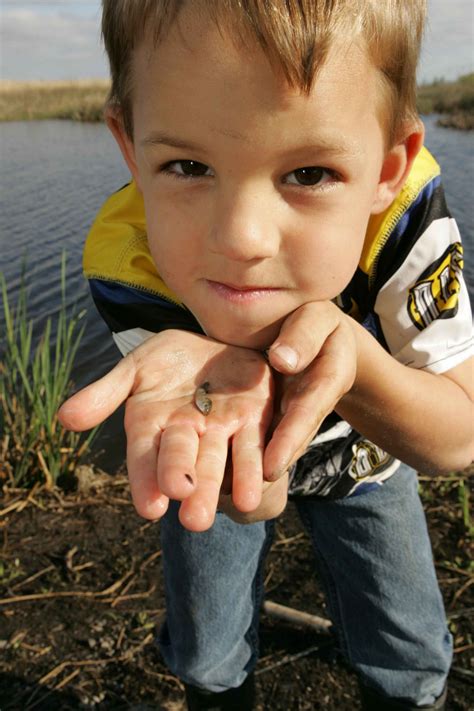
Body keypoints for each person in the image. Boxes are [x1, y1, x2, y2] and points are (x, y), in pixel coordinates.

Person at [58, 1, 474, 708]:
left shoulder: (404, 227)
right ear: (130, 148)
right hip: (219, 459)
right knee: (208, 641)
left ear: (386, 165)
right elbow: (251, 494)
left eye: (309, 173)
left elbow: (458, 437)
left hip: (367, 457)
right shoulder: (132, 261)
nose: (243, 238)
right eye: (188, 164)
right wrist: (253, 463)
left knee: (406, 641)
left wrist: (356, 362)